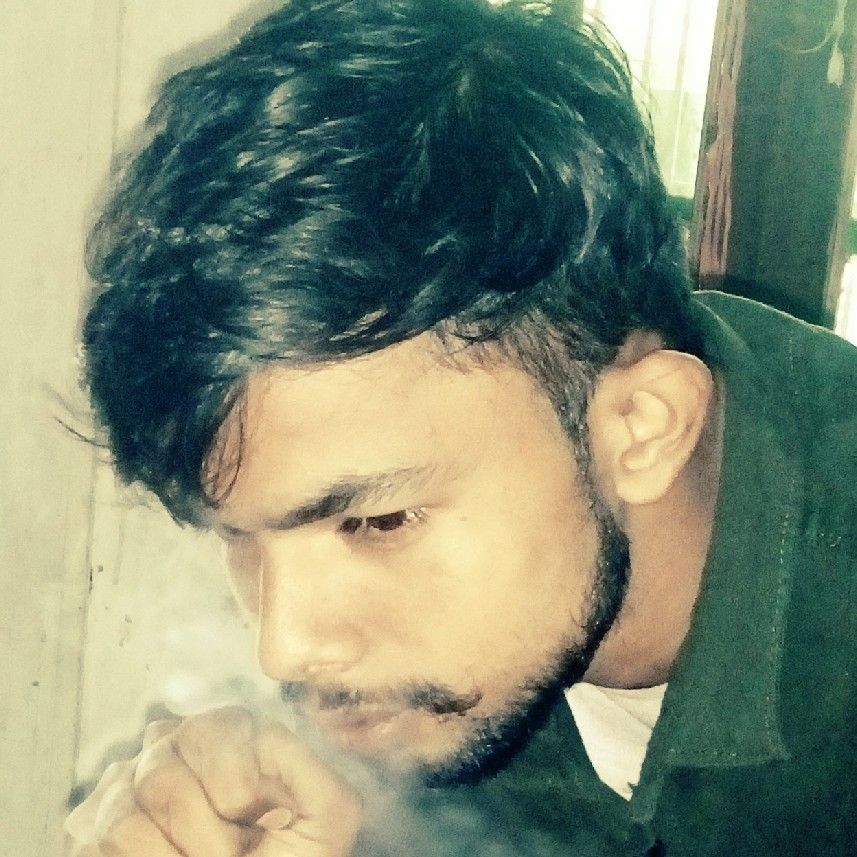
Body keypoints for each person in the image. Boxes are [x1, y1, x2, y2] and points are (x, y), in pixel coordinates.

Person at [65, 0, 857, 854]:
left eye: (378, 522)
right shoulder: (445, 671)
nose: (285, 649)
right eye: (237, 536)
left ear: (641, 428)